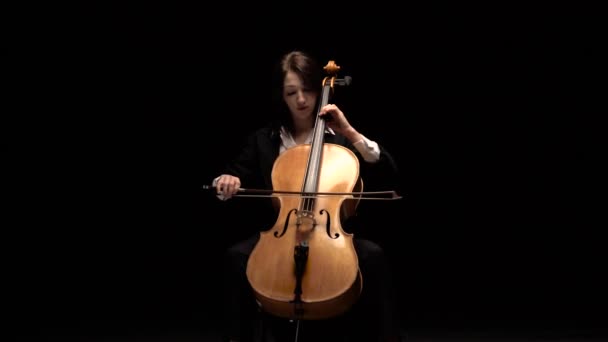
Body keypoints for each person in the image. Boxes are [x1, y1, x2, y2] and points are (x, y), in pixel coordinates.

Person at [212, 50, 402, 342]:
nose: (301, 99)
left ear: (318, 90)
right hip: (283, 232)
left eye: (308, 90)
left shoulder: (339, 138)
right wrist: (227, 181)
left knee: (374, 257)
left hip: (329, 234)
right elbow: (233, 175)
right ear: (282, 96)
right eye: (292, 92)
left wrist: (350, 132)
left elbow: (388, 171)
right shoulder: (264, 140)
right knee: (234, 257)